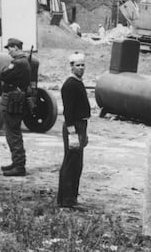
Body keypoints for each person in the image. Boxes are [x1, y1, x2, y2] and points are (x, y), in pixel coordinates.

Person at [57, 52, 91, 208]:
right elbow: (68, 112)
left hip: (80, 126)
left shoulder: (78, 82)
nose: (81, 68)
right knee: (71, 163)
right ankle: (66, 200)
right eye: (78, 65)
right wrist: (72, 133)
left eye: (83, 65)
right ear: (71, 67)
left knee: (76, 163)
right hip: (74, 127)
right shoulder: (70, 85)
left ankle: (70, 198)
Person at [0, 37, 31, 177]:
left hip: (14, 101)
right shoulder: (23, 62)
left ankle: (19, 166)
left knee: (13, 134)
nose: (8, 52)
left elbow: (4, 75)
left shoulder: (18, 63)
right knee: (12, 132)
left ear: (16, 48)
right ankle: (16, 162)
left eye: (10, 48)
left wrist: (4, 70)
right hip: (15, 99)